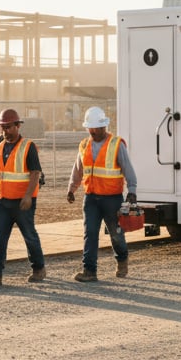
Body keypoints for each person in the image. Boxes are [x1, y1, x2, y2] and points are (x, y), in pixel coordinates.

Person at [0, 108, 48, 286]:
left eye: (8, 127)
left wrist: (28, 196)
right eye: (2, 127)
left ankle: (38, 268)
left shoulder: (28, 146)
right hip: (3, 200)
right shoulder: (0, 146)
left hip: (22, 201)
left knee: (29, 235)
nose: (5, 131)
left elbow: (35, 172)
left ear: (17, 126)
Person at [66, 106, 138, 282]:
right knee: (90, 233)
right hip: (91, 198)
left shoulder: (116, 144)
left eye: (97, 128)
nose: (94, 131)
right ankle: (89, 271)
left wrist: (132, 191)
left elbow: (128, 169)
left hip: (112, 199)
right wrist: (71, 188)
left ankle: (122, 259)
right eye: (91, 128)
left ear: (104, 126)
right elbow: (78, 169)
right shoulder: (84, 145)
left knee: (116, 234)